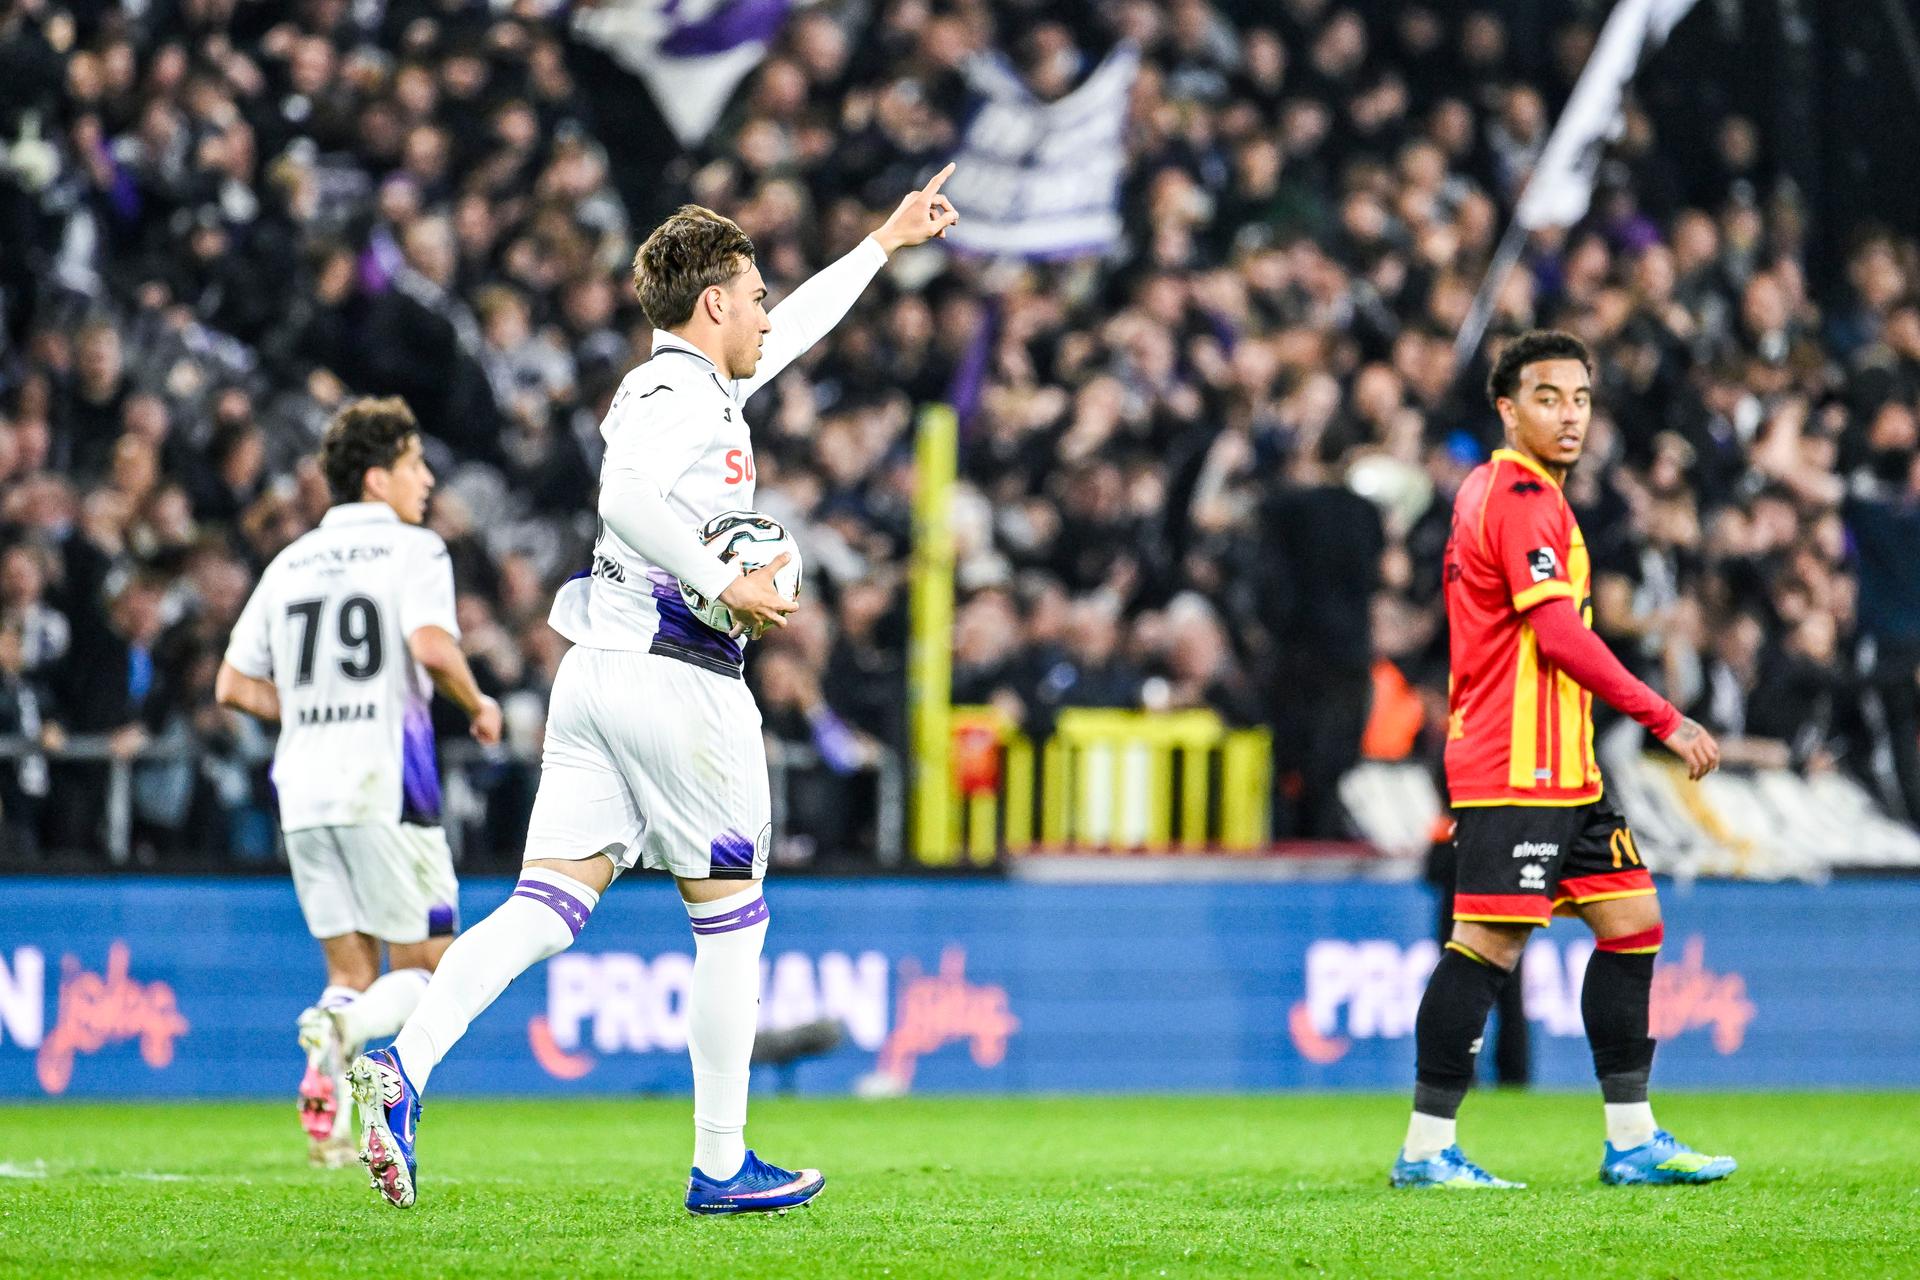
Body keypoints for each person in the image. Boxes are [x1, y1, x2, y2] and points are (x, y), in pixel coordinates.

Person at [348, 168, 961, 1213]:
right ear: (714, 301)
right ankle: (721, 1160)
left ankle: (404, 1066)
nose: (769, 311)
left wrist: (881, 245)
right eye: (757, 294)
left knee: (545, 905)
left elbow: (794, 331)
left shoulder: (683, 384)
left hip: (597, 677)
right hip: (679, 680)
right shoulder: (681, 398)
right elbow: (622, 494)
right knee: (730, 913)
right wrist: (726, 579)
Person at [1392, 331, 1735, 1189]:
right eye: (1548, 397)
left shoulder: (1525, 493)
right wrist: (1662, 715)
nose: (1570, 414)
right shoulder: (1515, 495)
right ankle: (1426, 1150)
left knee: (1632, 923)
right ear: (1508, 409)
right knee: (1485, 947)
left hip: (1567, 770)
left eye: (1581, 398)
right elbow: (1557, 633)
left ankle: (1631, 1139)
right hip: (1517, 764)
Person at [216, 398, 503, 1165]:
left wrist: (311, 714)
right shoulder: (414, 550)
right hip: (387, 786)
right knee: (431, 967)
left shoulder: (290, 562)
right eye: (414, 464)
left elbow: (233, 686)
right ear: (377, 478)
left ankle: (331, 1123)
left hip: (304, 791)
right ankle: (345, 1031)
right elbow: (433, 646)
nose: (429, 479)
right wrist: (479, 704)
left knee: (349, 969)